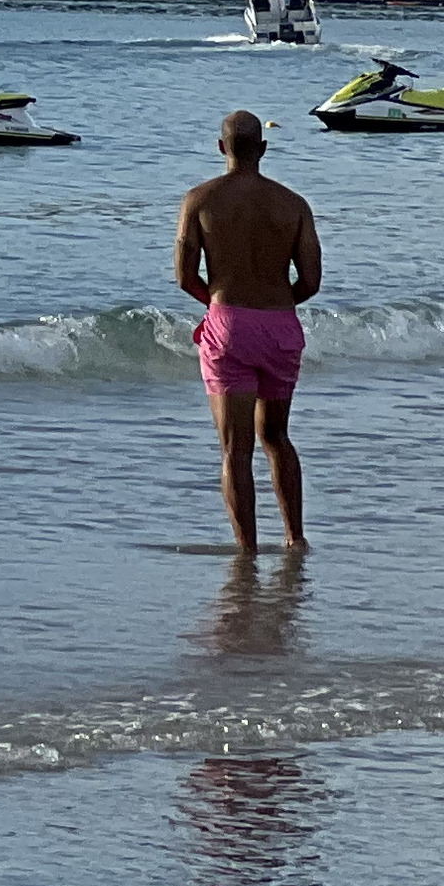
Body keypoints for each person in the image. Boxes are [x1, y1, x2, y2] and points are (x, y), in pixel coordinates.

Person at [175, 111, 321, 555]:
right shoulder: (293, 204)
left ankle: (248, 550)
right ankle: (295, 538)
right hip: (280, 327)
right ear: (263, 149)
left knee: (235, 449)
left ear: (222, 148)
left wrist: (221, 307)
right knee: (276, 437)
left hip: (229, 326)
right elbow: (311, 281)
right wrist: (274, 307)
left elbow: (185, 276)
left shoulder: (199, 201)